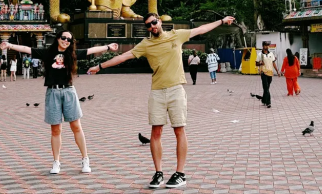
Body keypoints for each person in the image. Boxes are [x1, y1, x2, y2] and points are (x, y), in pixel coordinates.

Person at [88, 13, 235, 189]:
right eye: (148, 26)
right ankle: (158, 173)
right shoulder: (146, 44)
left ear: (159, 21)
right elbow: (123, 56)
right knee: (155, 132)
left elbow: (201, 29)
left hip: (176, 90)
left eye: (154, 23)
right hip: (157, 92)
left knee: (179, 130)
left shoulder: (176, 35)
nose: (152, 27)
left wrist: (221, 21)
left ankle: (180, 174)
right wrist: (100, 66)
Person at [1, 33, 117, 175]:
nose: (66, 41)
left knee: (76, 127)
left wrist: (108, 47)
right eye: (63, 38)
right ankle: (56, 162)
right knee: (56, 130)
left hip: (69, 92)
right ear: (58, 38)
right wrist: (9, 45)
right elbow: (27, 49)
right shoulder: (48, 53)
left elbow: (91, 50)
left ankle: (85, 159)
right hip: (53, 93)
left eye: (69, 39)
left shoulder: (72, 54)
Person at [255, 41, 280, 108]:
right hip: (263, 73)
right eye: (265, 45)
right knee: (266, 88)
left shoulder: (271, 54)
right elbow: (256, 63)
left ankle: (263, 100)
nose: (266, 47)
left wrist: (277, 71)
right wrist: (260, 63)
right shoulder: (260, 55)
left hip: (270, 73)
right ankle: (268, 102)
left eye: (267, 46)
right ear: (263, 46)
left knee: (267, 88)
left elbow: (273, 63)